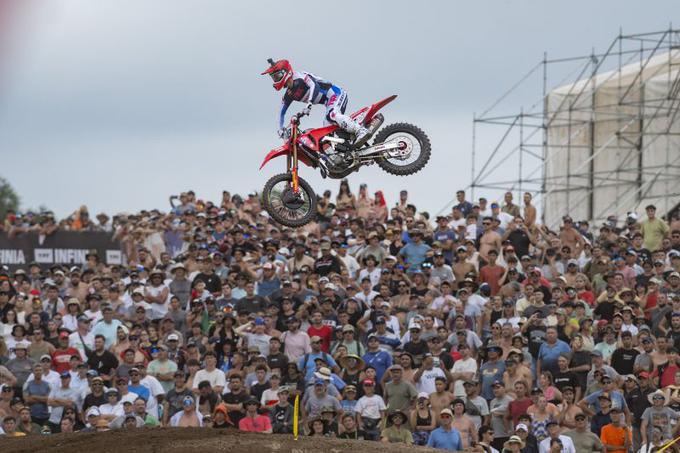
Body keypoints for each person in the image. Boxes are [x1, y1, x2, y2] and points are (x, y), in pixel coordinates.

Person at [261, 58, 369, 148]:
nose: (275, 79)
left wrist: (309, 104)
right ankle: (347, 150)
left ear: (286, 72)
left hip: (336, 93)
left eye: (276, 76)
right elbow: (280, 113)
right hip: (328, 101)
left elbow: (314, 85)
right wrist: (280, 131)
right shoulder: (289, 94)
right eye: (273, 77)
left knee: (333, 114)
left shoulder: (300, 77)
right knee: (327, 131)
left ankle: (360, 130)